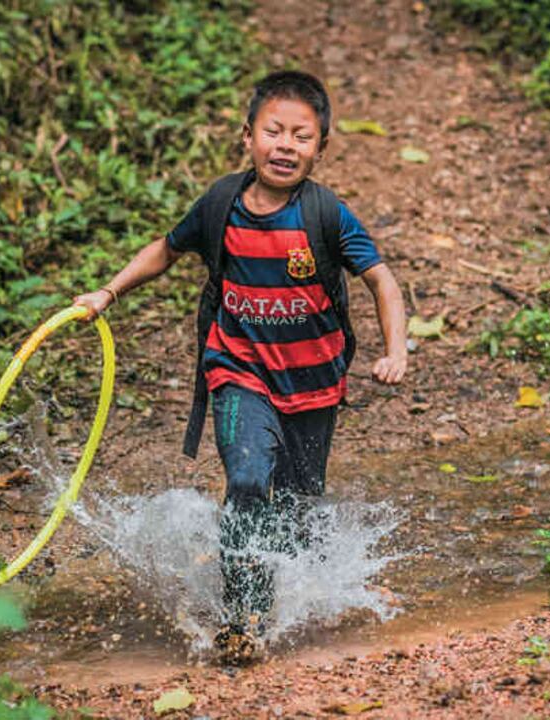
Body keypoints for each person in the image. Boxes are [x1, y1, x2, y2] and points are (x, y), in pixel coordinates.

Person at [72, 70, 407, 659]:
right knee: (250, 481)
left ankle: (305, 594)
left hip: (313, 385)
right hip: (237, 372)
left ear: (320, 150)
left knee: (300, 505)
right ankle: (243, 618)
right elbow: (165, 250)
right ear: (246, 136)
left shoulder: (327, 215)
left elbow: (381, 279)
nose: (285, 145)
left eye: (301, 137)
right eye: (273, 131)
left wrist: (396, 349)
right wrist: (107, 293)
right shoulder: (220, 205)